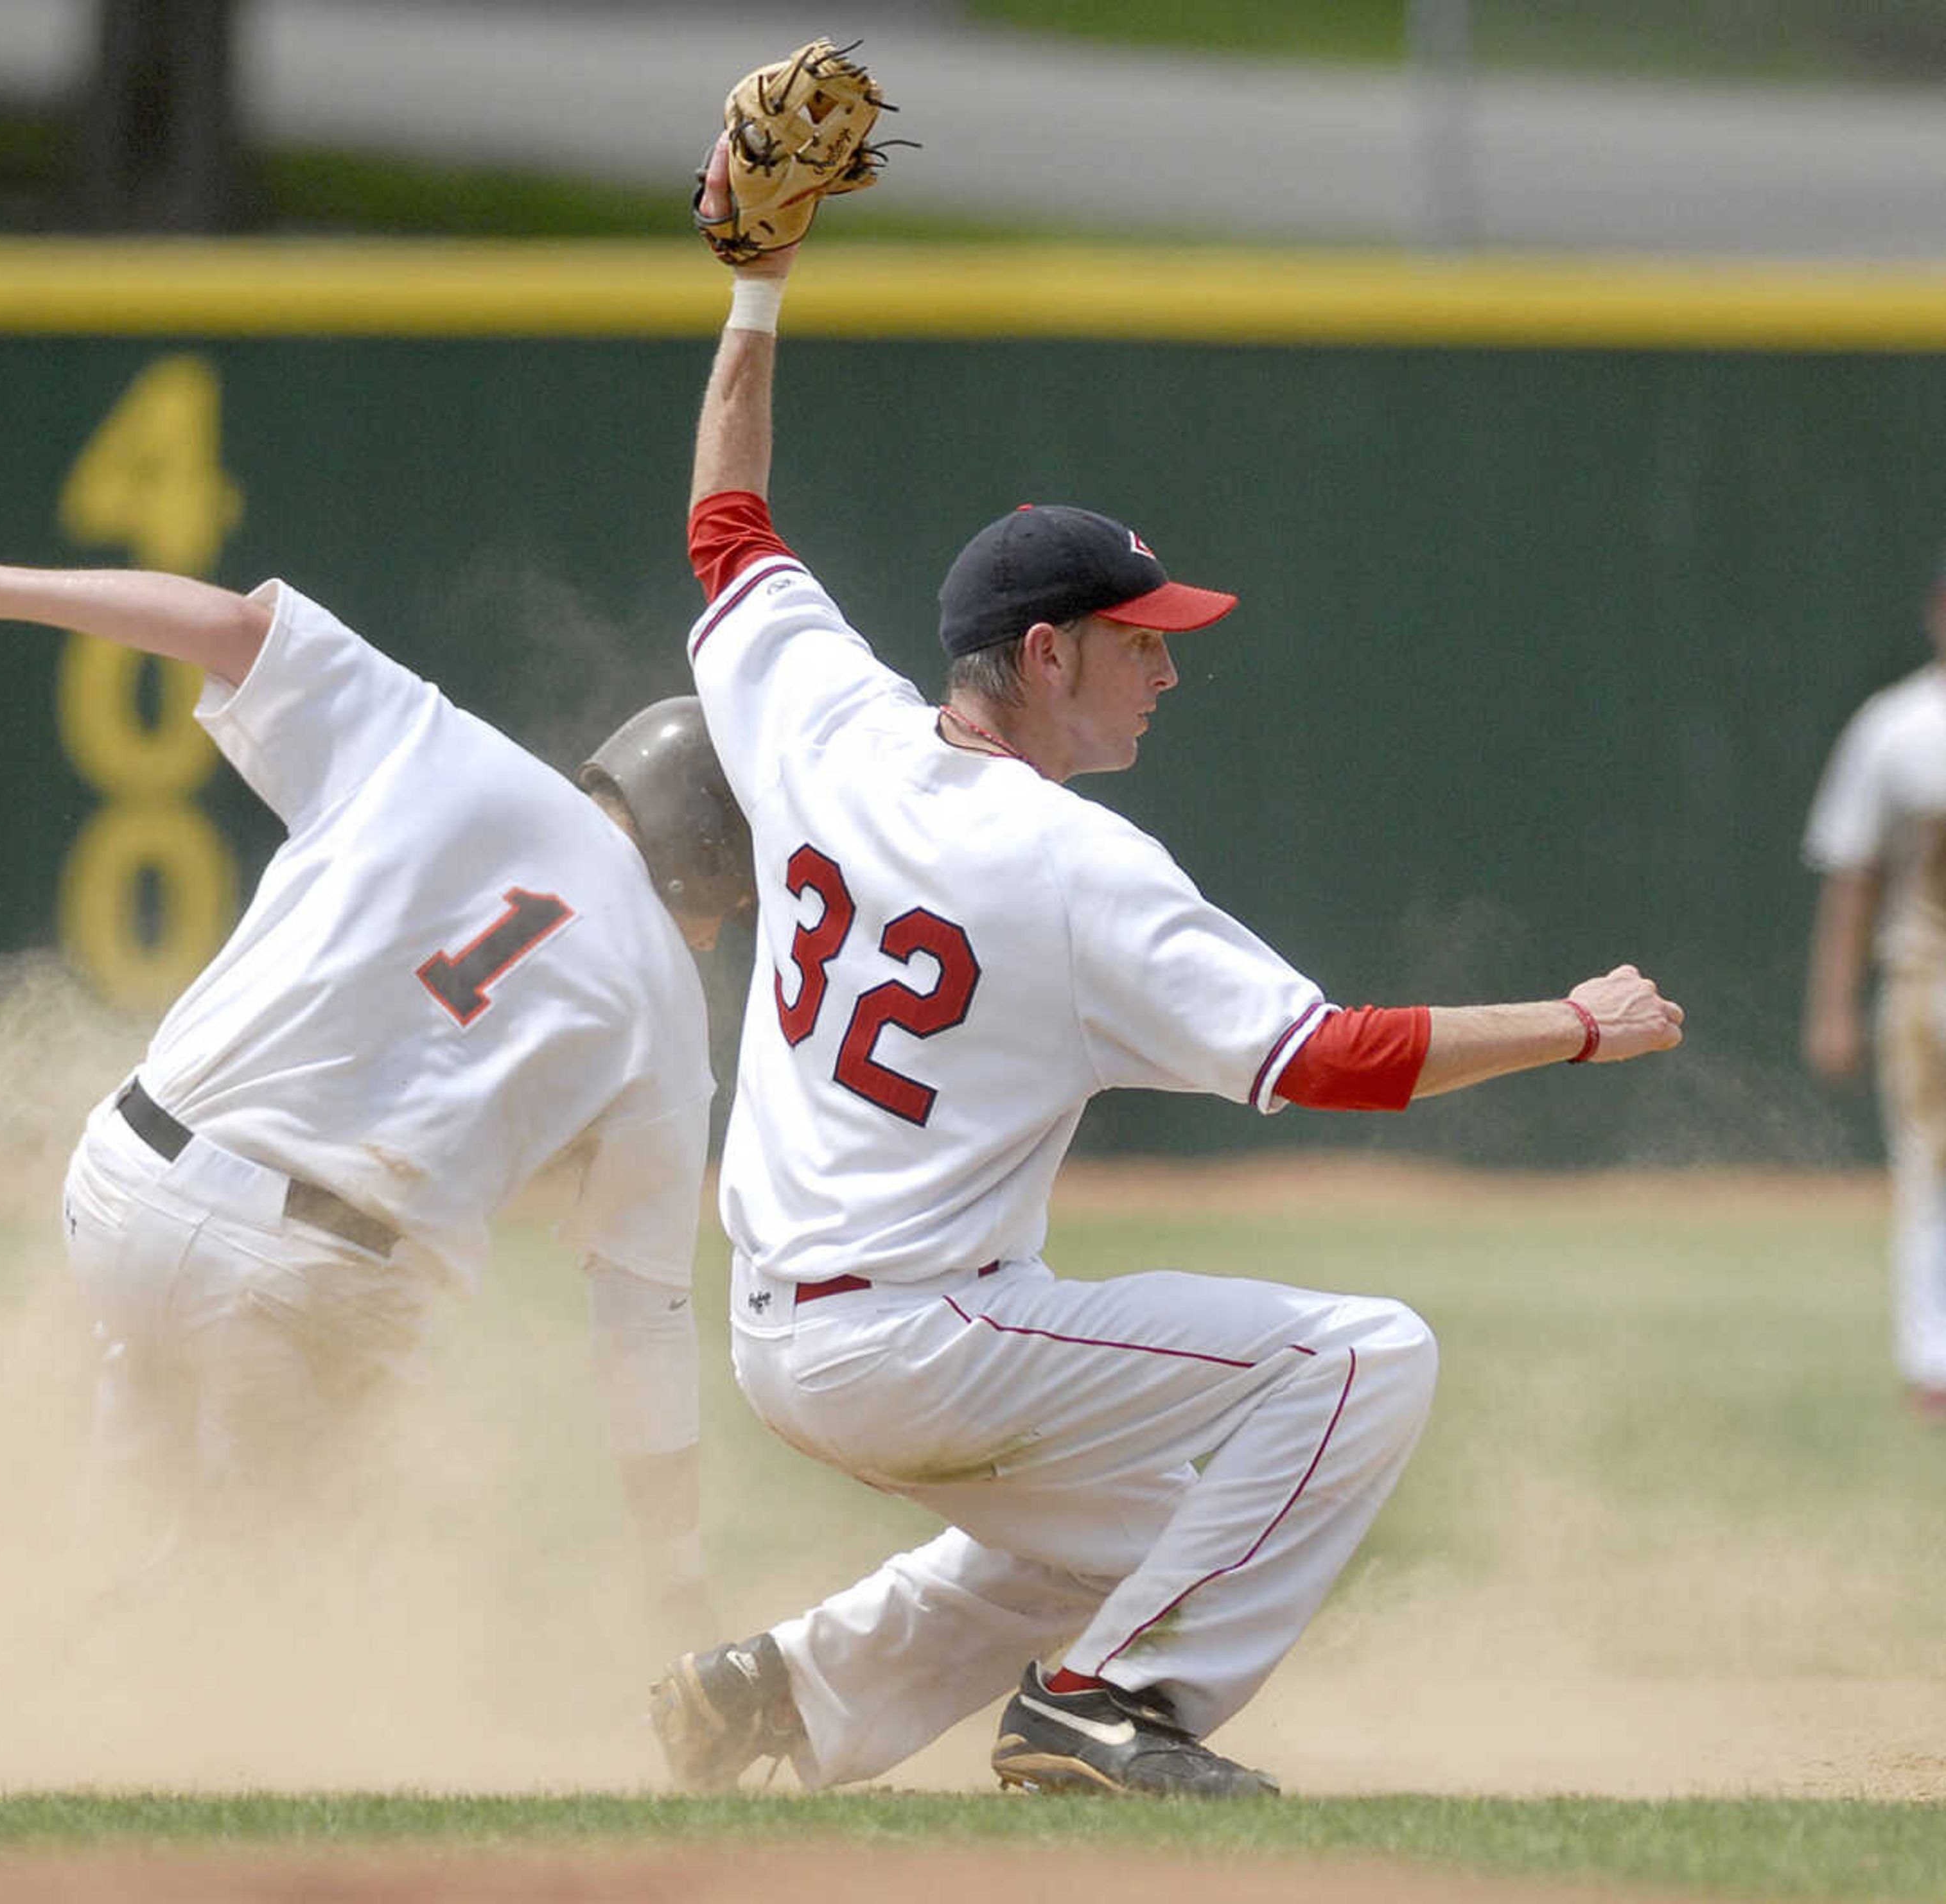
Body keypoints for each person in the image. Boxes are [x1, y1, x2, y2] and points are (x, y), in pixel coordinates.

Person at [644, 164, 1685, 1801]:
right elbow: (1328, 1059)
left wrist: (756, 279)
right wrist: (1572, 1024)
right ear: (1046, 653)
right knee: (1363, 1355)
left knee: (1163, 1532)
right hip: (925, 1333)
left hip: (781, 1328)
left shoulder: (820, 719)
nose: (1172, 665)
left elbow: (726, 524)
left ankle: (778, 1694)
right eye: (1141, 639)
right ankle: (1111, 1708)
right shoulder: (1069, 868)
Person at [0, 534, 751, 1631]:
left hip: (120, 1185)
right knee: (313, 1595)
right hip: (303, 1280)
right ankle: (84, 1643)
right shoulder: (666, 1009)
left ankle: (20, 1620)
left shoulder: (440, 745)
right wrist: (675, 1571)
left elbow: (234, 629)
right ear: (708, 860)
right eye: (733, 904)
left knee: (156, 1442)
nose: (718, 935)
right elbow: (642, 1321)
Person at [1801, 563, 1946, 1418]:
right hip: (1927, 975)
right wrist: (1833, 1008)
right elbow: (1851, 876)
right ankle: (1933, 1359)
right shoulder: (1899, 727)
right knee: (1931, 1162)